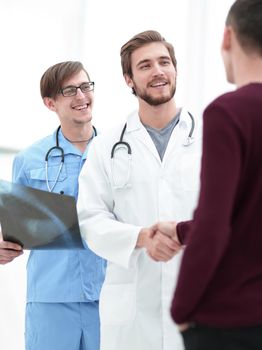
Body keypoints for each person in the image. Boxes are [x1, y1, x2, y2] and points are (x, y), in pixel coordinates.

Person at [77, 30, 202, 350]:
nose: (158, 70)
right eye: (145, 65)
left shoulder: (209, 137)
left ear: (175, 70)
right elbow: (89, 218)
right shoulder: (107, 146)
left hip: (200, 300)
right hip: (131, 311)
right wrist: (142, 237)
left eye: (164, 62)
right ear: (129, 79)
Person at [154, 1, 262, 349]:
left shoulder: (229, 112)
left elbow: (216, 223)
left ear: (227, 37)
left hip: (231, 321)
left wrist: (181, 309)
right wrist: (182, 230)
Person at [0, 61, 106, 350]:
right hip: (51, 298)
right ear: (50, 103)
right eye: (69, 90)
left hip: (108, 294)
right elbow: (16, 228)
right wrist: (6, 244)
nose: (82, 96)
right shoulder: (29, 160)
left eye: (85, 86)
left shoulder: (114, 154)